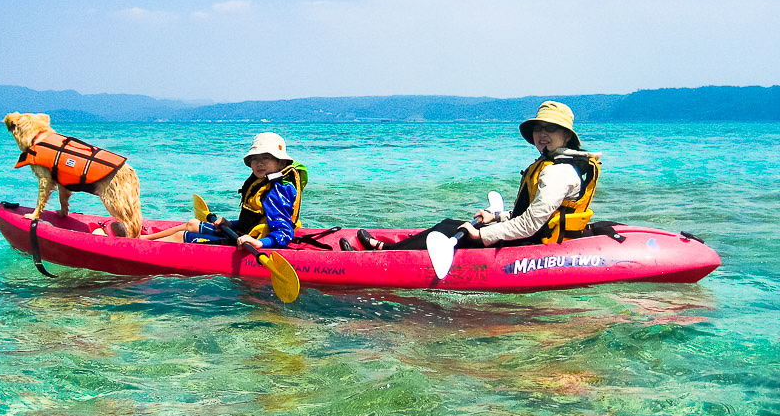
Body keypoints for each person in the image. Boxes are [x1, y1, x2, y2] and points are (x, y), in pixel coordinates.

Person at [344, 101, 600, 251]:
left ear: (566, 136)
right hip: (536, 235)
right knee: (448, 224)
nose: (542, 134)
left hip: (534, 245)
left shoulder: (558, 172)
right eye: (538, 129)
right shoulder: (555, 164)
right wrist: (496, 216)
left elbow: (531, 224)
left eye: (551, 129)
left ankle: (383, 252)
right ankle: (390, 249)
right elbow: (534, 214)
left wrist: (482, 235)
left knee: (453, 230)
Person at [140, 132, 307, 250]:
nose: (259, 163)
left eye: (266, 158)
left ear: (280, 163)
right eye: (255, 159)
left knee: (180, 237)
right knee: (192, 224)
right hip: (244, 234)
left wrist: (261, 243)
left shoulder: (278, 191)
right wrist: (231, 224)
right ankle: (143, 239)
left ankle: (136, 248)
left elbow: (284, 232)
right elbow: (255, 220)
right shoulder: (260, 183)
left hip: (253, 242)